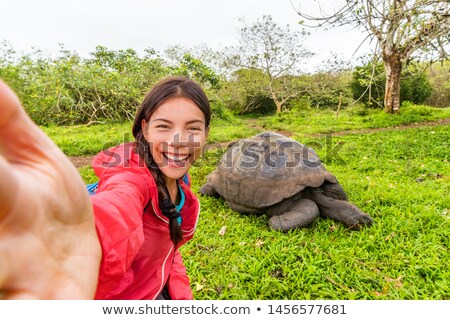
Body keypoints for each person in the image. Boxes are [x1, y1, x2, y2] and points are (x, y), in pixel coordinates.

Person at [0, 76, 210, 299]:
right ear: (146, 129)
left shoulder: (180, 179)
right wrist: (87, 239)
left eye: (193, 129)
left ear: (206, 133)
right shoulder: (132, 179)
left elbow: (169, 249)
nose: (179, 141)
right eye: (164, 127)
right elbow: (119, 206)